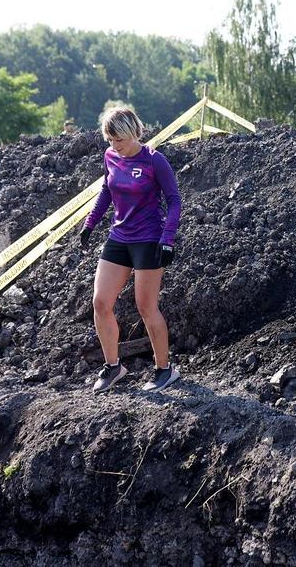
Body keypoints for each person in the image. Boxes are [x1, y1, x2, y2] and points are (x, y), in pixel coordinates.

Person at [79, 107, 182, 393]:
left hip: (149, 238)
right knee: (100, 303)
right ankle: (113, 367)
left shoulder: (154, 161)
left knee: (146, 307)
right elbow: (106, 191)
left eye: (118, 141)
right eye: (110, 141)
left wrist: (168, 239)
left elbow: (174, 201)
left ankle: (164, 370)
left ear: (131, 134)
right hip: (119, 236)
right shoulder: (110, 156)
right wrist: (89, 224)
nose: (114, 147)